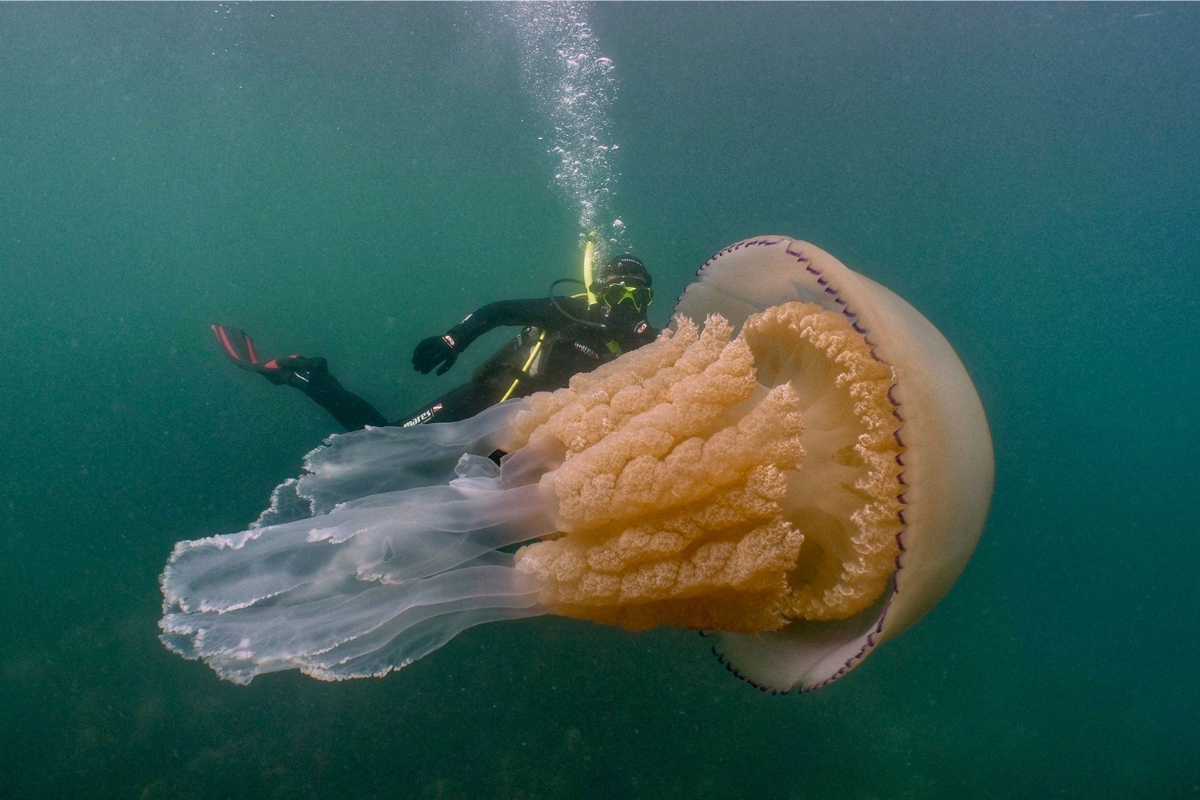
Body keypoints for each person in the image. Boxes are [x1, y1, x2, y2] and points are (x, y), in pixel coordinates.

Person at [212, 255, 659, 432]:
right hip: (481, 401)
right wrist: (453, 339)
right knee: (383, 442)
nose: (625, 305)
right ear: (599, 292)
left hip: (525, 438)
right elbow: (497, 311)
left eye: (636, 297)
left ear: (648, 302)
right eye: (616, 293)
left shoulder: (649, 347)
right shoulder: (572, 311)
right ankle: (308, 375)